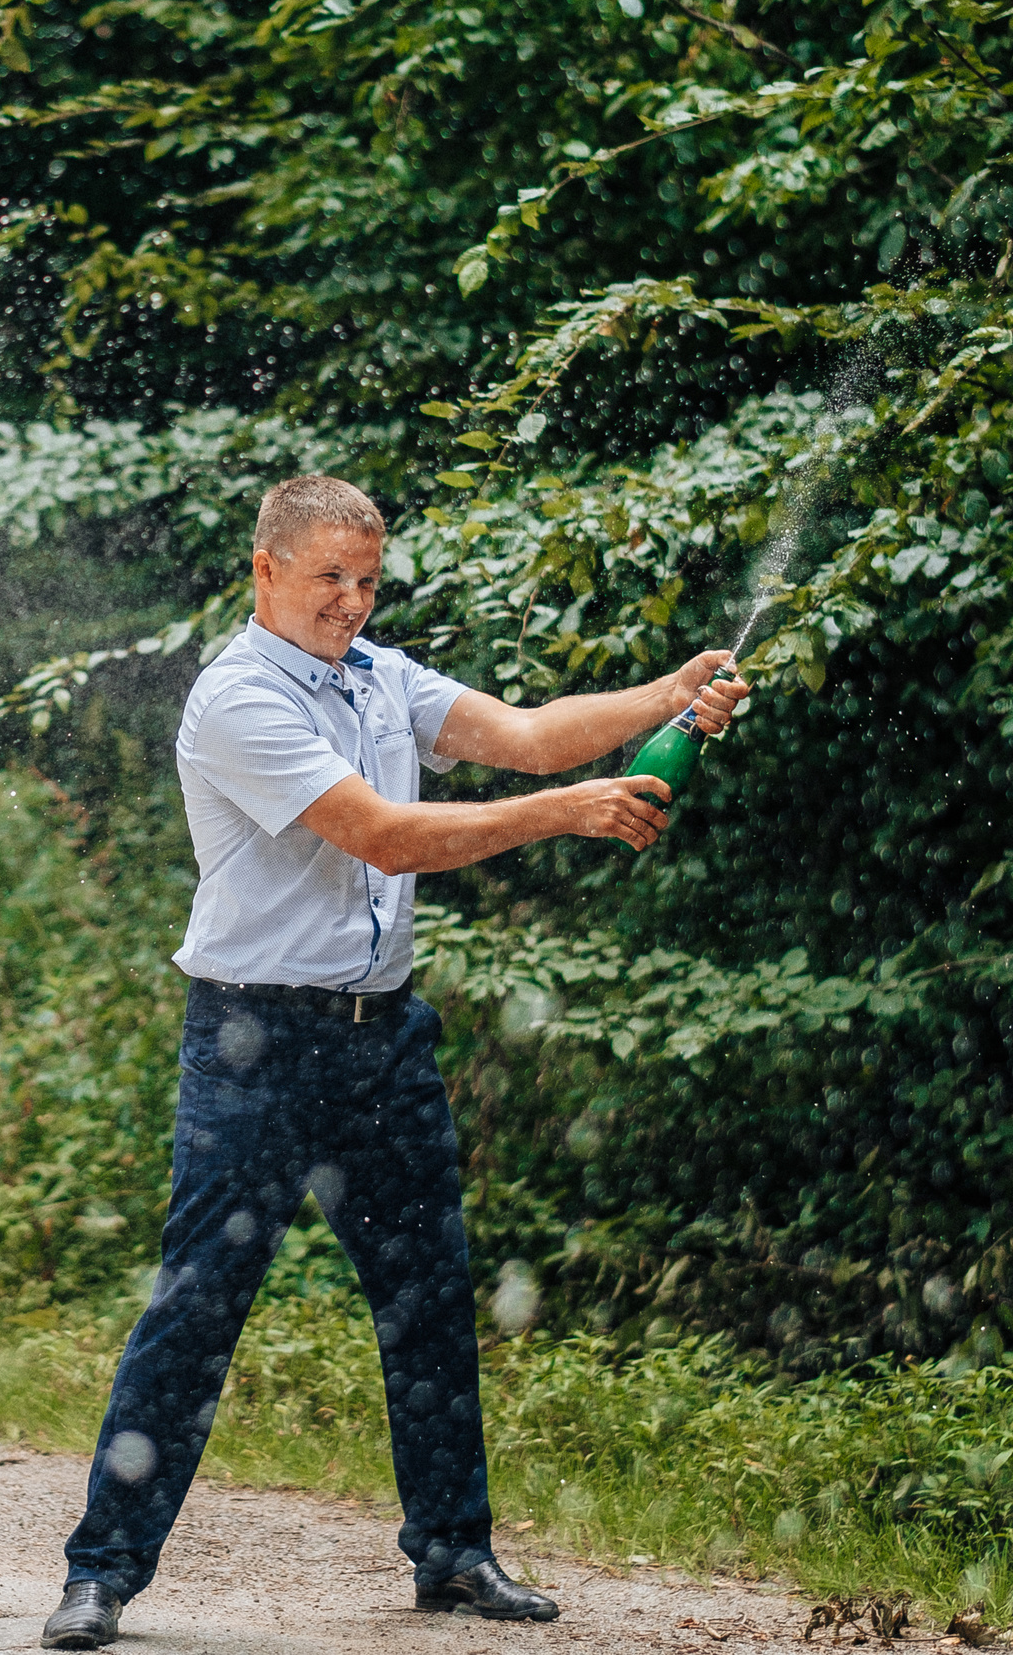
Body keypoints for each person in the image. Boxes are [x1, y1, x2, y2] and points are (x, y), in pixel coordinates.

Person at [38, 476, 749, 1650]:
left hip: (384, 1040)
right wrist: (569, 812)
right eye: (329, 578)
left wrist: (668, 695)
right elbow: (381, 833)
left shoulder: (381, 678)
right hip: (253, 1045)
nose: (351, 602)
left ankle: (454, 1556)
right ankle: (102, 1573)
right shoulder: (236, 698)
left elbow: (521, 735)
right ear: (264, 571)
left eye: (366, 580)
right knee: (197, 1312)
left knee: (427, 1303)